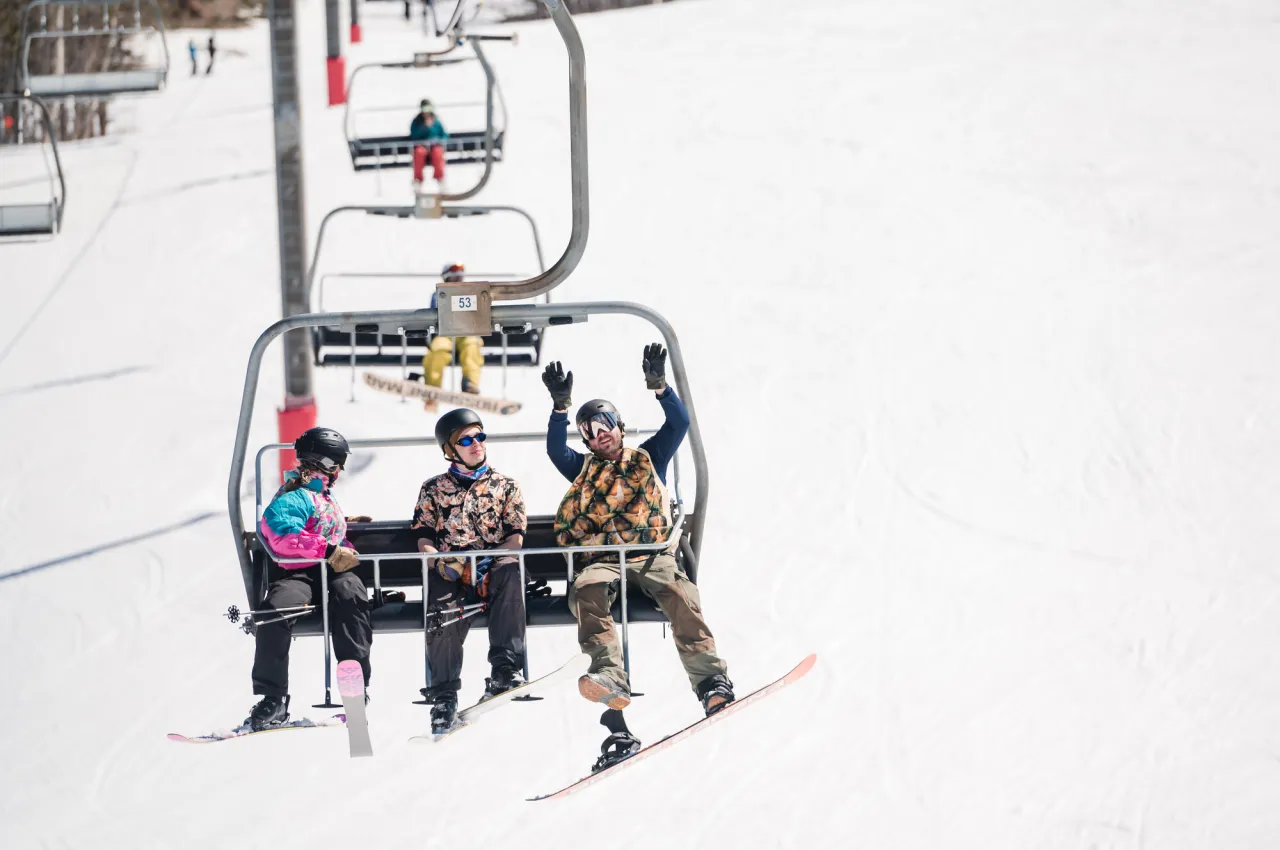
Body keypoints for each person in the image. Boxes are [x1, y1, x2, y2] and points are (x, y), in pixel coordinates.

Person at [542, 343, 735, 771]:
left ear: (618, 426)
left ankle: (711, 682)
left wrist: (660, 386)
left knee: (677, 592)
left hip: (649, 554)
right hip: (606, 557)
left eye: (603, 424)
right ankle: (609, 676)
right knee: (588, 590)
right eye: (588, 430)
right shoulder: (584, 471)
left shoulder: (649, 458)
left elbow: (680, 422)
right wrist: (559, 410)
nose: (598, 434)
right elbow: (557, 452)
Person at [246, 427, 373, 731]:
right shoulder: (294, 494)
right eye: (337, 463)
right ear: (324, 461)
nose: (340, 470)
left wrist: (344, 525)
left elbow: (313, 521)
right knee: (275, 611)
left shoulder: (320, 494)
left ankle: (354, 689)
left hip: (333, 573)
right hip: (299, 573)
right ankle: (273, 698)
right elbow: (283, 536)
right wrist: (328, 549)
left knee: (351, 597)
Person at [411, 409, 529, 734]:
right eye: (466, 439)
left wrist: (490, 562)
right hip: (452, 571)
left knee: (511, 571)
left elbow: (515, 536)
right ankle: (444, 697)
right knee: (441, 610)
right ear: (451, 450)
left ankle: (505, 668)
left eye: (480, 436)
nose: (476, 443)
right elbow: (423, 536)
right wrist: (438, 560)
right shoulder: (433, 489)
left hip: (494, 568)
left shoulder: (506, 486)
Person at [419, 263, 483, 411]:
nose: (458, 280)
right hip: (445, 333)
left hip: (466, 332)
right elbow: (436, 311)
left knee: (472, 346)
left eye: (460, 276)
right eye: (454, 277)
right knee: (438, 350)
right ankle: (432, 390)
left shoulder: (470, 294)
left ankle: (470, 384)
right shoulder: (439, 295)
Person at [408, 99, 448, 190]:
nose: (426, 112)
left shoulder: (436, 121)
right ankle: (418, 179)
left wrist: (438, 140)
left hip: (434, 146)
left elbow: (443, 134)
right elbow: (414, 135)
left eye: (428, 109)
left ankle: (440, 178)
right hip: (421, 146)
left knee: (438, 153)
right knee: (419, 153)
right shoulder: (417, 121)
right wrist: (424, 127)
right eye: (424, 109)